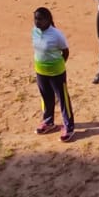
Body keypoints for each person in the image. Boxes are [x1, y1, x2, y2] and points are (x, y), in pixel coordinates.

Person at [31, 7, 75, 142]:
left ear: (48, 20)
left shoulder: (56, 35)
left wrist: (59, 64)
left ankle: (69, 127)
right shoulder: (34, 31)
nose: (37, 22)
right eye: (35, 19)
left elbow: (65, 52)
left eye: (40, 19)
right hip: (40, 71)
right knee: (46, 97)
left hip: (56, 72)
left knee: (63, 99)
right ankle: (48, 121)